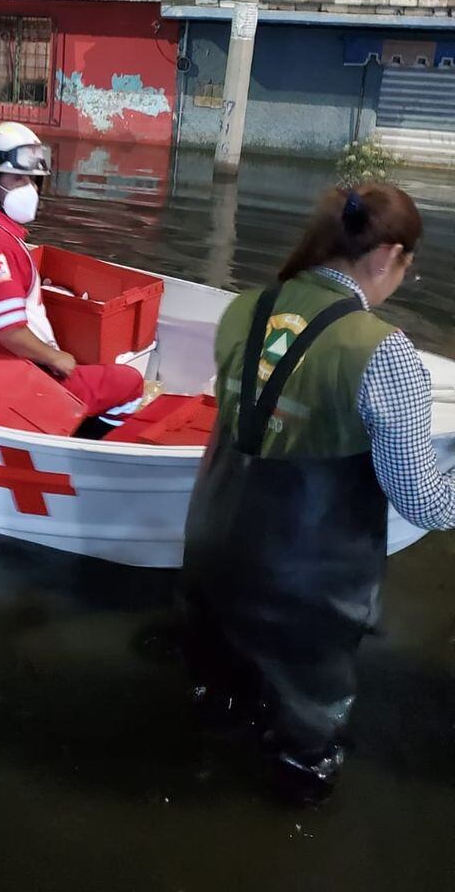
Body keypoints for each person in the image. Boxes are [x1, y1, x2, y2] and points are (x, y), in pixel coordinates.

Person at [181, 184, 455, 804]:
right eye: (407, 267)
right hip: (305, 594)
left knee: (217, 701)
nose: (402, 281)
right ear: (386, 255)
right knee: (306, 746)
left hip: (210, 549)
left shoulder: (243, 308)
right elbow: (426, 502)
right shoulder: (384, 353)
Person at [0, 122, 145, 426]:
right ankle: (76, 445)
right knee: (128, 381)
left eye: (34, 181)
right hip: (18, 377)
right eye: (18, 179)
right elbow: (8, 331)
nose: (31, 190)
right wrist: (54, 358)